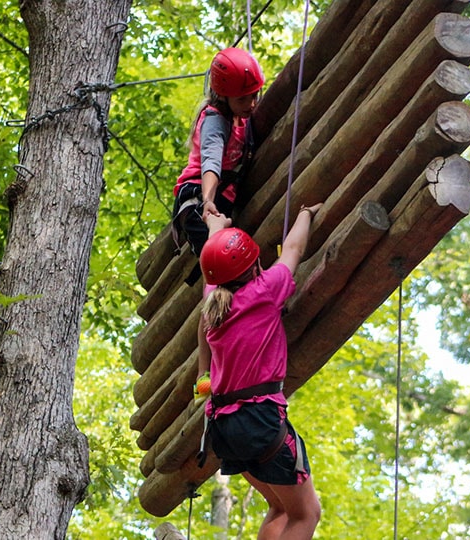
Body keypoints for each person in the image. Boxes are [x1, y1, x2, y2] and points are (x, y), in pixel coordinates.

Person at [196, 204, 323, 540]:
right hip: (261, 423)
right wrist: (306, 214)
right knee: (307, 514)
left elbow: (213, 263)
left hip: (224, 429)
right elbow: (294, 249)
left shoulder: (214, 301)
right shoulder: (265, 290)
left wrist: (215, 225)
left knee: (281, 508)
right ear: (255, 265)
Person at [172, 47, 264, 268]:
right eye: (243, 99)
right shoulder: (214, 121)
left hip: (223, 201)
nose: (251, 104)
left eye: (254, 95)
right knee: (222, 265)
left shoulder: (241, 118)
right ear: (224, 96)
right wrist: (208, 201)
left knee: (239, 264)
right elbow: (211, 162)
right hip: (198, 199)